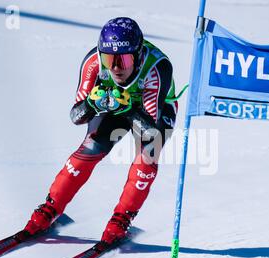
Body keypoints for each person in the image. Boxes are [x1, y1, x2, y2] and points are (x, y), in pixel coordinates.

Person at [22, 17, 178, 245]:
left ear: (138, 54)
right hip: (114, 103)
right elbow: (76, 116)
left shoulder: (157, 67)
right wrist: (91, 105)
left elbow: (149, 130)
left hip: (154, 110)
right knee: (90, 148)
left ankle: (121, 220)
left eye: (123, 60)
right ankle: (50, 208)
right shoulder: (93, 63)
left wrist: (126, 108)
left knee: (147, 157)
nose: (115, 67)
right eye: (108, 58)